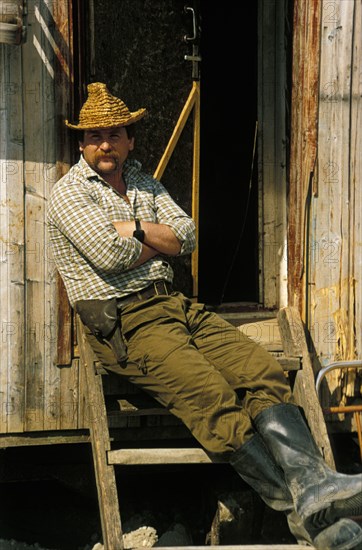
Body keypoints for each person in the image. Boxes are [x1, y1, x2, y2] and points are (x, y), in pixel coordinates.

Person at [47, 82, 362, 550]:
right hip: (125, 322)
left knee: (264, 371)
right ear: (81, 143)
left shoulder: (143, 183)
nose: (105, 145)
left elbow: (186, 237)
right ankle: (305, 511)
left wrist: (133, 226)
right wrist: (155, 240)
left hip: (176, 306)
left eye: (114, 134)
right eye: (95, 137)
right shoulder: (69, 194)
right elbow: (108, 255)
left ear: (130, 139)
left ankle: (314, 484)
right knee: (215, 401)